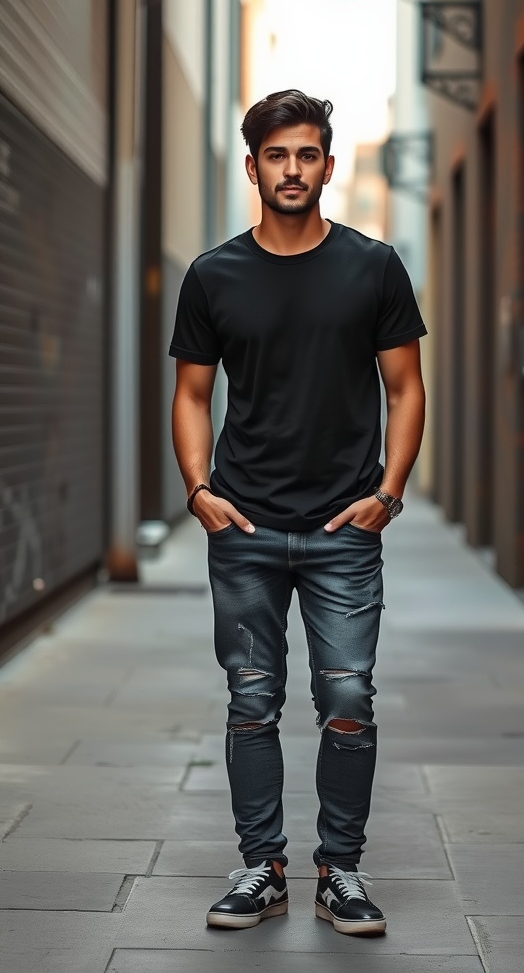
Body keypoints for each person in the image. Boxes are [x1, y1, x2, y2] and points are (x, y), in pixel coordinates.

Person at [169, 89, 426, 936]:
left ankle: (340, 873)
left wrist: (386, 495)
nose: (292, 169)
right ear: (253, 167)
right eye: (276, 156)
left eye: (306, 154)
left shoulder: (373, 266)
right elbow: (192, 393)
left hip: (341, 530)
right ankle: (262, 867)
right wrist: (199, 491)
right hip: (242, 527)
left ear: (326, 162)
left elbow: (405, 387)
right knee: (252, 700)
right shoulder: (214, 275)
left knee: (347, 696)